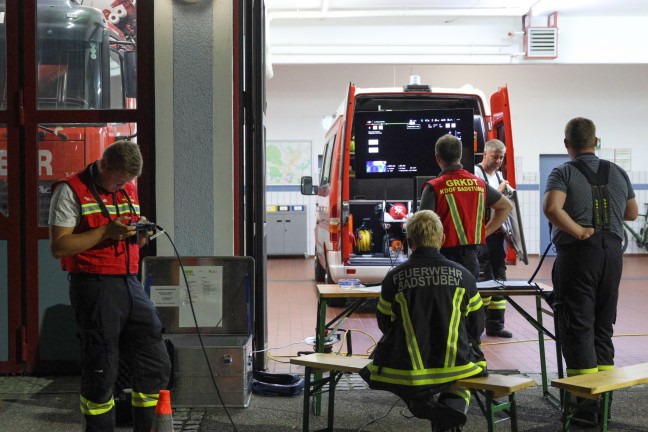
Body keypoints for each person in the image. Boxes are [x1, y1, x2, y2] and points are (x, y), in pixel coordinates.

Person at [48, 140, 172, 432]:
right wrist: (105, 231)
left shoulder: (127, 187)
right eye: (118, 179)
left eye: (128, 181)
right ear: (103, 165)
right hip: (93, 285)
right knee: (101, 367)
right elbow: (59, 246)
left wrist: (140, 233)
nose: (123, 186)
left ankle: (146, 426)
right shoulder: (70, 190)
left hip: (130, 281)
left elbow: (131, 240)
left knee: (154, 358)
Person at [543, 117, 637, 426]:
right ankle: (604, 402)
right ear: (596, 142)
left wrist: (579, 230)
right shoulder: (618, 171)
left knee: (577, 325)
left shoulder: (563, 171)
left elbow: (551, 208)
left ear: (567, 143)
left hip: (579, 256)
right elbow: (631, 213)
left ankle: (585, 409)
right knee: (602, 325)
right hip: (613, 255)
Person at [360, 210, 487, 432]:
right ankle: (450, 409)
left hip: (404, 369)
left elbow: (385, 324)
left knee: (374, 369)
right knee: (474, 364)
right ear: (443, 239)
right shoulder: (465, 276)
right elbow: (476, 328)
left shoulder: (394, 278)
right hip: (456, 366)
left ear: (409, 242)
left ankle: (421, 404)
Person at [419, 134, 513, 281]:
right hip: (471, 258)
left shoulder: (434, 187)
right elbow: (506, 206)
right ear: (460, 156)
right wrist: (484, 233)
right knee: (468, 299)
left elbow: (422, 227)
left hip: (441, 257)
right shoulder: (479, 183)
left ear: (438, 158)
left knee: (446, 300)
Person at [474, 139, 513, 338]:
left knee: (500, 279)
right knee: (483, 279)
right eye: (494, 157)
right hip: (481, 236)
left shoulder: (499, 175)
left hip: (497, 236)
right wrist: (500, 191)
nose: (498, 161)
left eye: (501, 158)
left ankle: (496, 326)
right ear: (484, 155)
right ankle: (477, 327)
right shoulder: (475, 174)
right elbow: (480, 200)